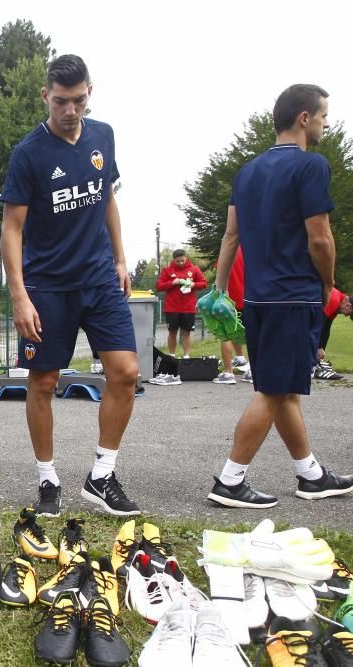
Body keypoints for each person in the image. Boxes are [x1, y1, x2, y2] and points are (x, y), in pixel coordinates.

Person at [0, 54, 141, 517]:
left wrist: (120, 258)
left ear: (89, 93)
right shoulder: (28, 154)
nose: (70, 111)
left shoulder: (104, 135)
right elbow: (12, 229)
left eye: (79, 100)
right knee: (43, 384)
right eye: (61, 101)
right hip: (48, 287)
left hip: (100, 279)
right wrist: (18, 295)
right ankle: (47, 479)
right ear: (46, 96)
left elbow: (108, 200)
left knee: (125, 373)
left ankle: (101, 476)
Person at [207, 83, 353, 508]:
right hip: (294, 295)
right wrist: (327, 283)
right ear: (304, 118)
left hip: (258, 299)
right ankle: (231, 481)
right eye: (323, 115)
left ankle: (311, 474)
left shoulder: (247, 172)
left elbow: (230, 236)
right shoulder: (311, 167)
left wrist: (219, 290)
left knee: (284, 386)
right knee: (272, 389)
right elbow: (320, 238)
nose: (326, 123)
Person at [156, 249, 207, 358]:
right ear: (174, 260)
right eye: (177, 261)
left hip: (188, 308)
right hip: (171, 308)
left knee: (186, 333)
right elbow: (159, 286)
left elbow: (203, 283)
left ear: (186, 257)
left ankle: (186, 356)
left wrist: (193, 284)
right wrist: (172, 282)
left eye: (182, 260)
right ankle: (171, 356)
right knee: (172, 332)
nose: (180, 263)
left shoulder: (194, 269)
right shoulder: (167, 270)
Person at [213, 249, 252, 385]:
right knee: (255, 336)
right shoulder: (254, 249)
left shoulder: (228, 251)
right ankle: (253, 371)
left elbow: (220, 275)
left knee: (227, 335)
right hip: (251, 298)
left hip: (229, 301)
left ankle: (229, 373)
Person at [313, 287, 350, 380]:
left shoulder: (337, 303)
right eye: (349, 314)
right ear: (348, 306)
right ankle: (312, 366)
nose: (346, 316)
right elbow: (318, 325)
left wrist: (321, 350)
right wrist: (319, 347)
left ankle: (317, 362)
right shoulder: (334, 300)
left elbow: (326, 329)